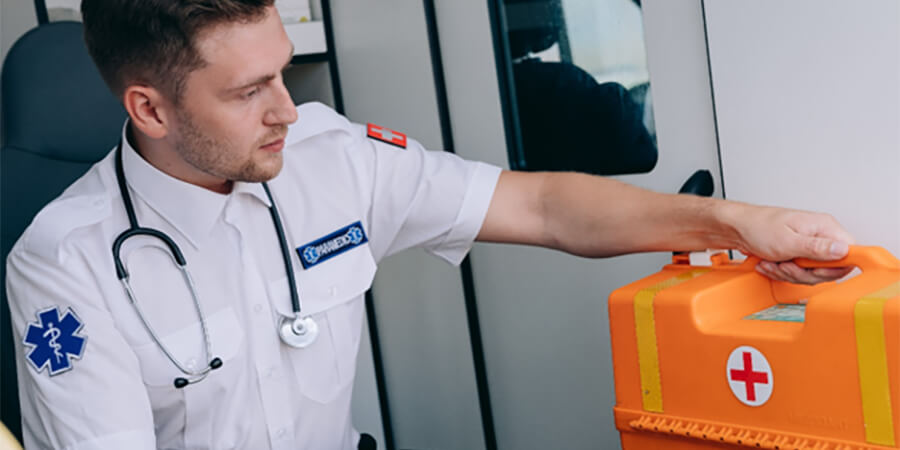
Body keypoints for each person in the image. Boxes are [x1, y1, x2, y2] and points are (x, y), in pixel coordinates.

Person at [5, 1, 854, 449]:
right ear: (149, 107)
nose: (288, 111)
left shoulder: (333, 157)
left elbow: (544, 205)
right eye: (246, 92)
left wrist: (735, 224)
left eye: (280, 73)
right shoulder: (66, 265)